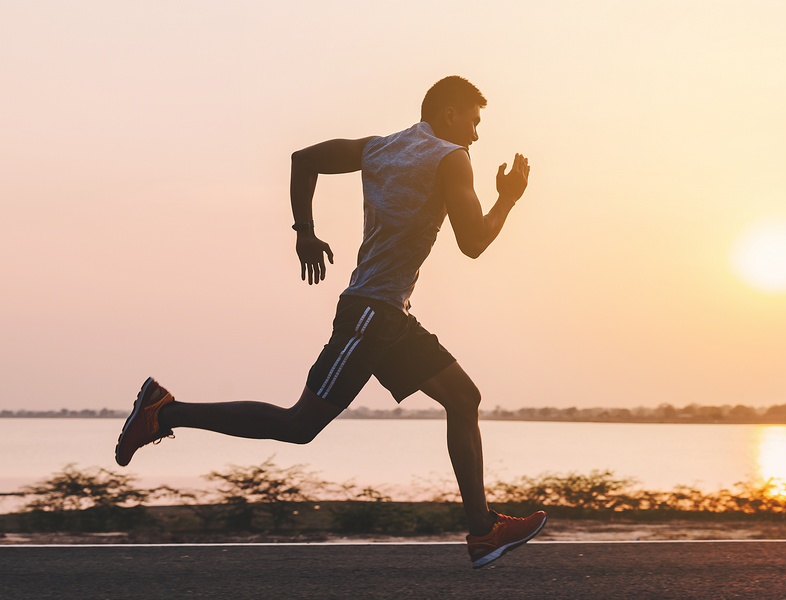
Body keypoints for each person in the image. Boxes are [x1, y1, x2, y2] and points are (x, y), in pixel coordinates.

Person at [115, 76, 546, 568]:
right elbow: (472, 242)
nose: (476, 134)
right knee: (299, 424)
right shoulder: (451, 157)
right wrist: (509, 197)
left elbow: (305, 159)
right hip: (371, 314)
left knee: (463, 396)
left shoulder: (381, 148)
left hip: (388, 314)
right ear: (449, 114)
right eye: (473, 120)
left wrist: (305, 232)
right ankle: (163, 412)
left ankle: (483, 530)